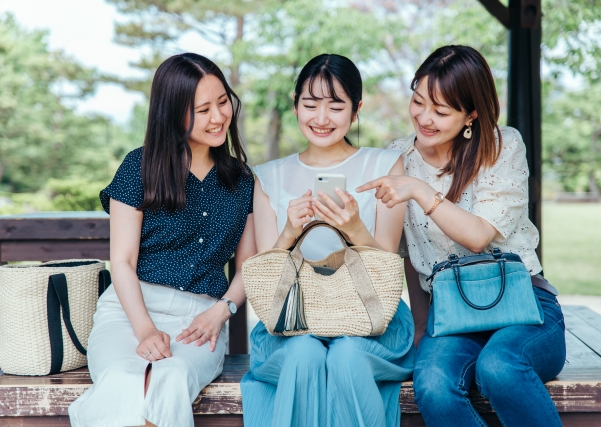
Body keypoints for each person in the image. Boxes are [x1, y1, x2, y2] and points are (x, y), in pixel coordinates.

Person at [357, 45, 566, 427]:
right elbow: (406, 253)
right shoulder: (397, 157)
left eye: (441, 111)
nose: (424, 117)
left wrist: (421, 191)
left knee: (499, 366)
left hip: (525, 307)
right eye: (418, 101)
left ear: (471, 113)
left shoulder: (502, 146)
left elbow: (478, 235)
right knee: (433, 383)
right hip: (451, 313)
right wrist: (421, 330)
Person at [68, 53, 256, 427]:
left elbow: (248, 265)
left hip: (200, 320)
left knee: (168, 379)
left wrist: (222, 312)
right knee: (125, 381)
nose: (218, 117)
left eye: (222, 103)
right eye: (202, 110)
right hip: (130, 313)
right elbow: (121, 261)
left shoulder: (242, 180)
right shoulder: (138, 167)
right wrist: (145, 329)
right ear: (172, 113)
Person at [240, 53, 415, 427]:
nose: (321, 118)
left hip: (370, 321)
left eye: (336, 106)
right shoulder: (269, 176)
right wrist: (290, 231)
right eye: (310, 104)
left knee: (346, 357)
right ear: (295, 105)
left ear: (356, 111)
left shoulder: (385, 165)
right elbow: (267, 273)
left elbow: (386, 264)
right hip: (291, 323)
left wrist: (353, 227)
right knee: (304, 354)